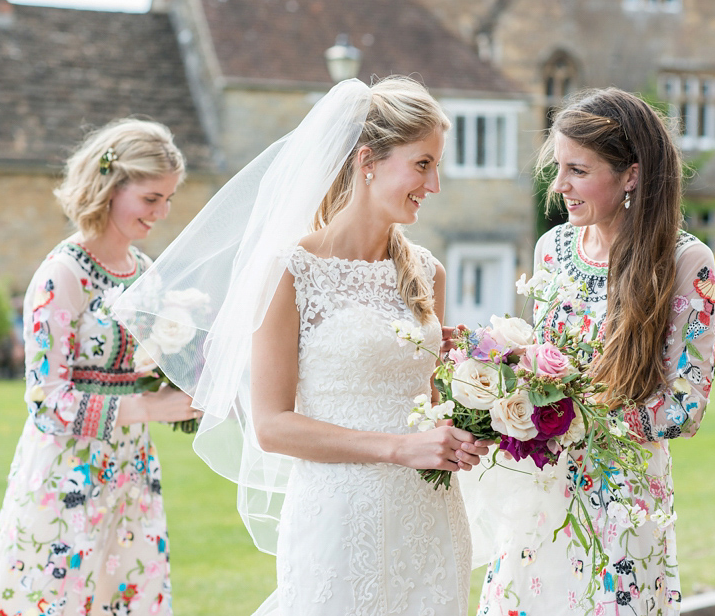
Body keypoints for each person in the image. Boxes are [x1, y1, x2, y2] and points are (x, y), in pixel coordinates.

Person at [114, 77, 489, 616]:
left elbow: (431, 408)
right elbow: (271, 426)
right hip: (336, 515)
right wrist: (397, 448)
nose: (434, 185)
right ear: (369, 161)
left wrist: (480, 396)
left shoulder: (428, 273)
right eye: (423, 164)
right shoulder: (289, 271)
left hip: (429, 515)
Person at [468, 88, 715, 616]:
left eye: (578, 171)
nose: (560, 185)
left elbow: (685, 406)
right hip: (540, 491)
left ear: (630, 175)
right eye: (558, 167)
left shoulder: (685, 261)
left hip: (625, 500)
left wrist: (576, 415)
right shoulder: (551, 249)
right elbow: (542, 363)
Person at [0, 119, 196, 616]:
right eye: (151, 198)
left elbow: (157, 365)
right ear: (111, 187)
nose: (162, 212)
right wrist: (149, 407)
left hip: (132, 473)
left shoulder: (146, 273)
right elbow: (46, 402)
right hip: (67, 475)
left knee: (125, 597)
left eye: (169, 199)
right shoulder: (60, 275)